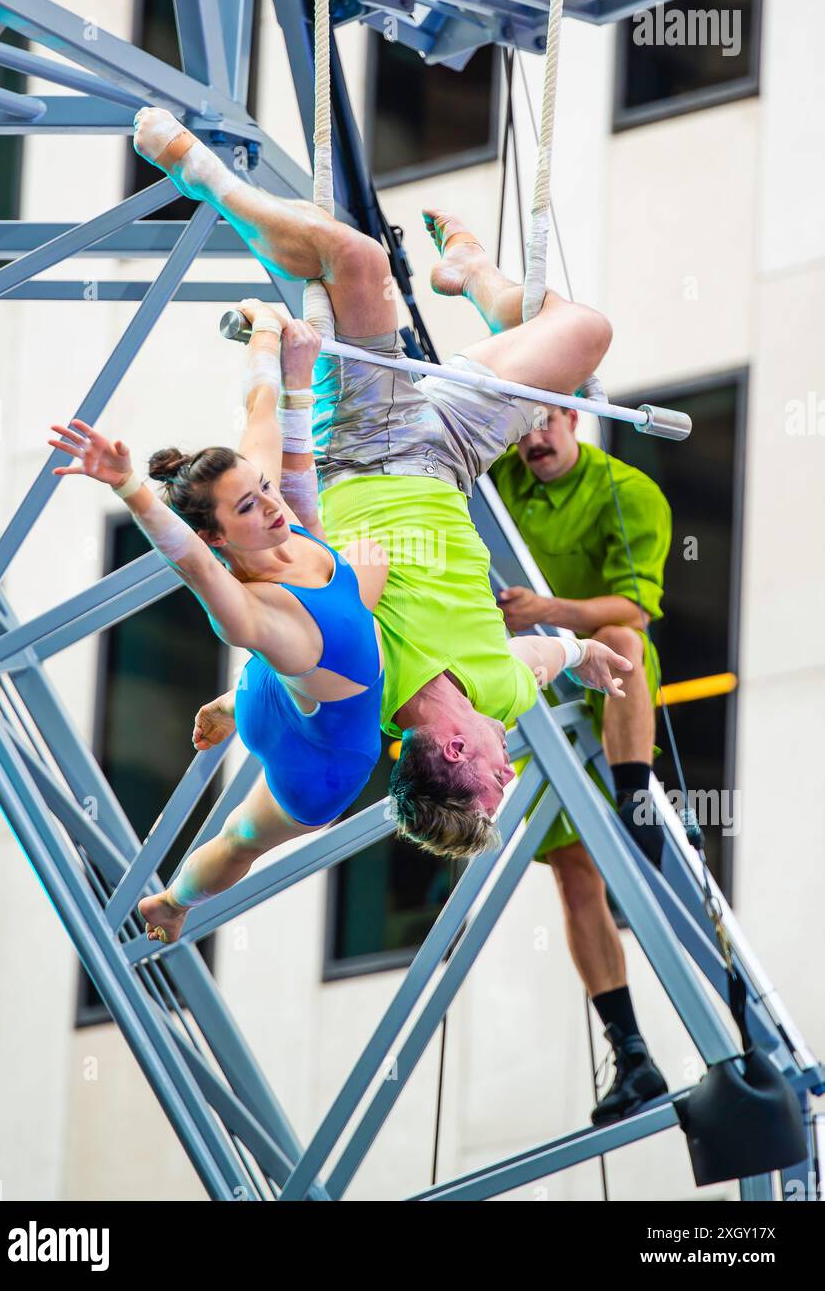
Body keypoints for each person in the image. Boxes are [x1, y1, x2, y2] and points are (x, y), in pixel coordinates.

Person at [131, 109, 632, 862]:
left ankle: (203, 176)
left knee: (357, 260)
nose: (509, 770)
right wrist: (581, 657)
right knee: (585, 336)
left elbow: (287, 645)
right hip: (454, 459)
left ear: (457, 756)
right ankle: (473, 276)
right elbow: (539, 660)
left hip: (363, 448)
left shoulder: (365, 687)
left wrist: (234, 704)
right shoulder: (500, 695)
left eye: (498, 782)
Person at [47, 298, 387, 946]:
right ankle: (171, 903)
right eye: (248, 509)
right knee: (238, 841)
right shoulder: (247, 605)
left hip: (273, 686)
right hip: (323, 765)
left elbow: (260, 411)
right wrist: (128, 487)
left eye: (262, 488)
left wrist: (264, 326)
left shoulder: (262, 510)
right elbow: (197, 569)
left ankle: (237, 701)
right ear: (213, 534)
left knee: (360, 563)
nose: (270, 507)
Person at [489, 411, 672, 1122]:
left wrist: (548, 610)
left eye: (544, 427)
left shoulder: (626, 492)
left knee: (620, 634)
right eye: (521, 431)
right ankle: (628, 1049)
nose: (533, 442)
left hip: (606, 684)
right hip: (536, 686)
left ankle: (633, 795)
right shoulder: (501, 480)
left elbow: (634, 606)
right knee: (572, 874)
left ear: (571, 418)